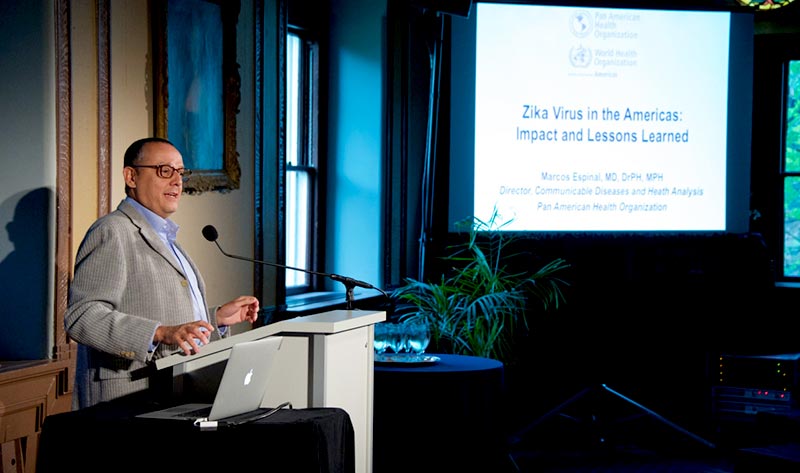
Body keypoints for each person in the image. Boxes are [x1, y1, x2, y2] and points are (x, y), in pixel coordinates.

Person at [65, 137, 259, 410]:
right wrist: (158, 332)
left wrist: (214, 320)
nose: (177, 181)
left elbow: (168, 320)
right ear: (131, 176)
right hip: (125, 400)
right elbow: (82, 317)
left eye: (180, 172)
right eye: (164, 171)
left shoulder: (166, 236)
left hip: (173, 394)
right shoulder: (112, 231)